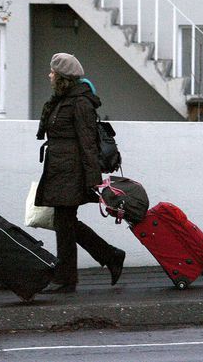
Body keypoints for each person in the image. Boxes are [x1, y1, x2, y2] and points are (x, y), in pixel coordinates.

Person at [35, 53, 126, 294]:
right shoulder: (62, 99)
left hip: (72, 172)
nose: (49, 75)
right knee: (65, 222)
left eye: (53, 72)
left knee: (64, 222)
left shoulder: (80, 103)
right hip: (60, 169)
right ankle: (107, 257)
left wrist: (93, 182)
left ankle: (69, 276)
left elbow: (88, 143)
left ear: (62, 77)